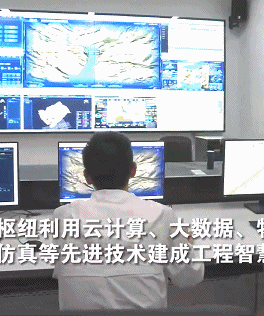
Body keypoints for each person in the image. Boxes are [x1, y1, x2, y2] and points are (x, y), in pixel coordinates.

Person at [52, 132, 204, 310]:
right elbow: (189, 277)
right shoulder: (162, 215)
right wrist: (188, 242)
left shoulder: (63, 216)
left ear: (86, 176)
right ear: (133, 170)